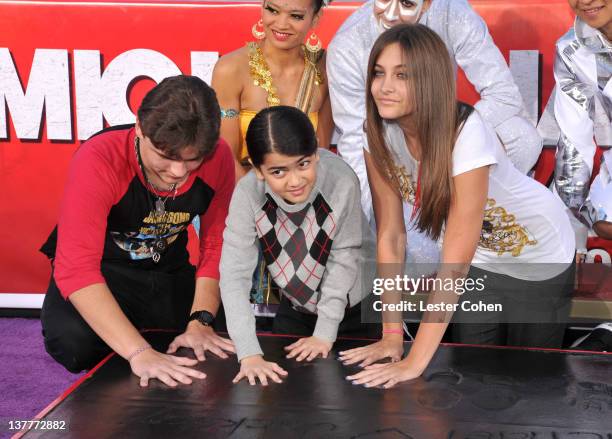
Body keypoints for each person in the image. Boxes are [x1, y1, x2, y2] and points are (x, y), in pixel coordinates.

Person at [341, 25, 576, 388]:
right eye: (378, 72)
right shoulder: (378, 135)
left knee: (530, 387)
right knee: (471, 381)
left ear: (431, 80)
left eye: (402, 75)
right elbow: (390, 236)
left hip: (539, 257)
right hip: (481, 262)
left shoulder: (466, 131)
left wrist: (413, 364)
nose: (384, 86)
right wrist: (392, 336)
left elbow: (455, 261)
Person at [40, 75, 236, 387]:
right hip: (107, 273)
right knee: (73, 342)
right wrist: (138, 352)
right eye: (167, 157)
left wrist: (201, 320)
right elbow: (75, 268)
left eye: (193, 159)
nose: (179, 172)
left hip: (168, 270)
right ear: (140, 129)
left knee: (220, 341)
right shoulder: (100, 158)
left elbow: (217, 245)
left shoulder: (219, 156)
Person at [327, 0, 542, 265]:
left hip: (450, 154)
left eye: (406, 2)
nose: (392, 14)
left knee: (522, 137)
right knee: (415, 251)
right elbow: (354, 142)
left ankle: (470, 220)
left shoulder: (453, 12)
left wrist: (450, 141)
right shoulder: (348, 44)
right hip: (397, 173)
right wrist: (376, 220)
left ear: (428, 4)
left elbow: (504, 95)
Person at [220, 106, 378, 386]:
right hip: (296, 308)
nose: (295, 181)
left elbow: (344, 257)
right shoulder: (247, 195)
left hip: (359, 309)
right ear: (258, 170)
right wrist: (248, 353)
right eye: (278, 171)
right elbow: (234, 274)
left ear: (316, 152)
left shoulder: (341, 180)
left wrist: (324, 334)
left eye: (303, 164)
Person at [211, 0, 333, 182]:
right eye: (273, 10)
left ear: (316, 18)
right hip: (246, 195)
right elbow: (226, 158)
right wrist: (260, 204)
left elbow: (320, 154)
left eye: (296, 16)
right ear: (262, 7)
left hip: (303, 193)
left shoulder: (325, 68)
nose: (281, 24)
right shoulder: (231, 69)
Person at [553, 0, 612, 250]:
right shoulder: (571, 49)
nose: (584, 1)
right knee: (604, 221)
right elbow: (574, 140)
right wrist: (569, 234)